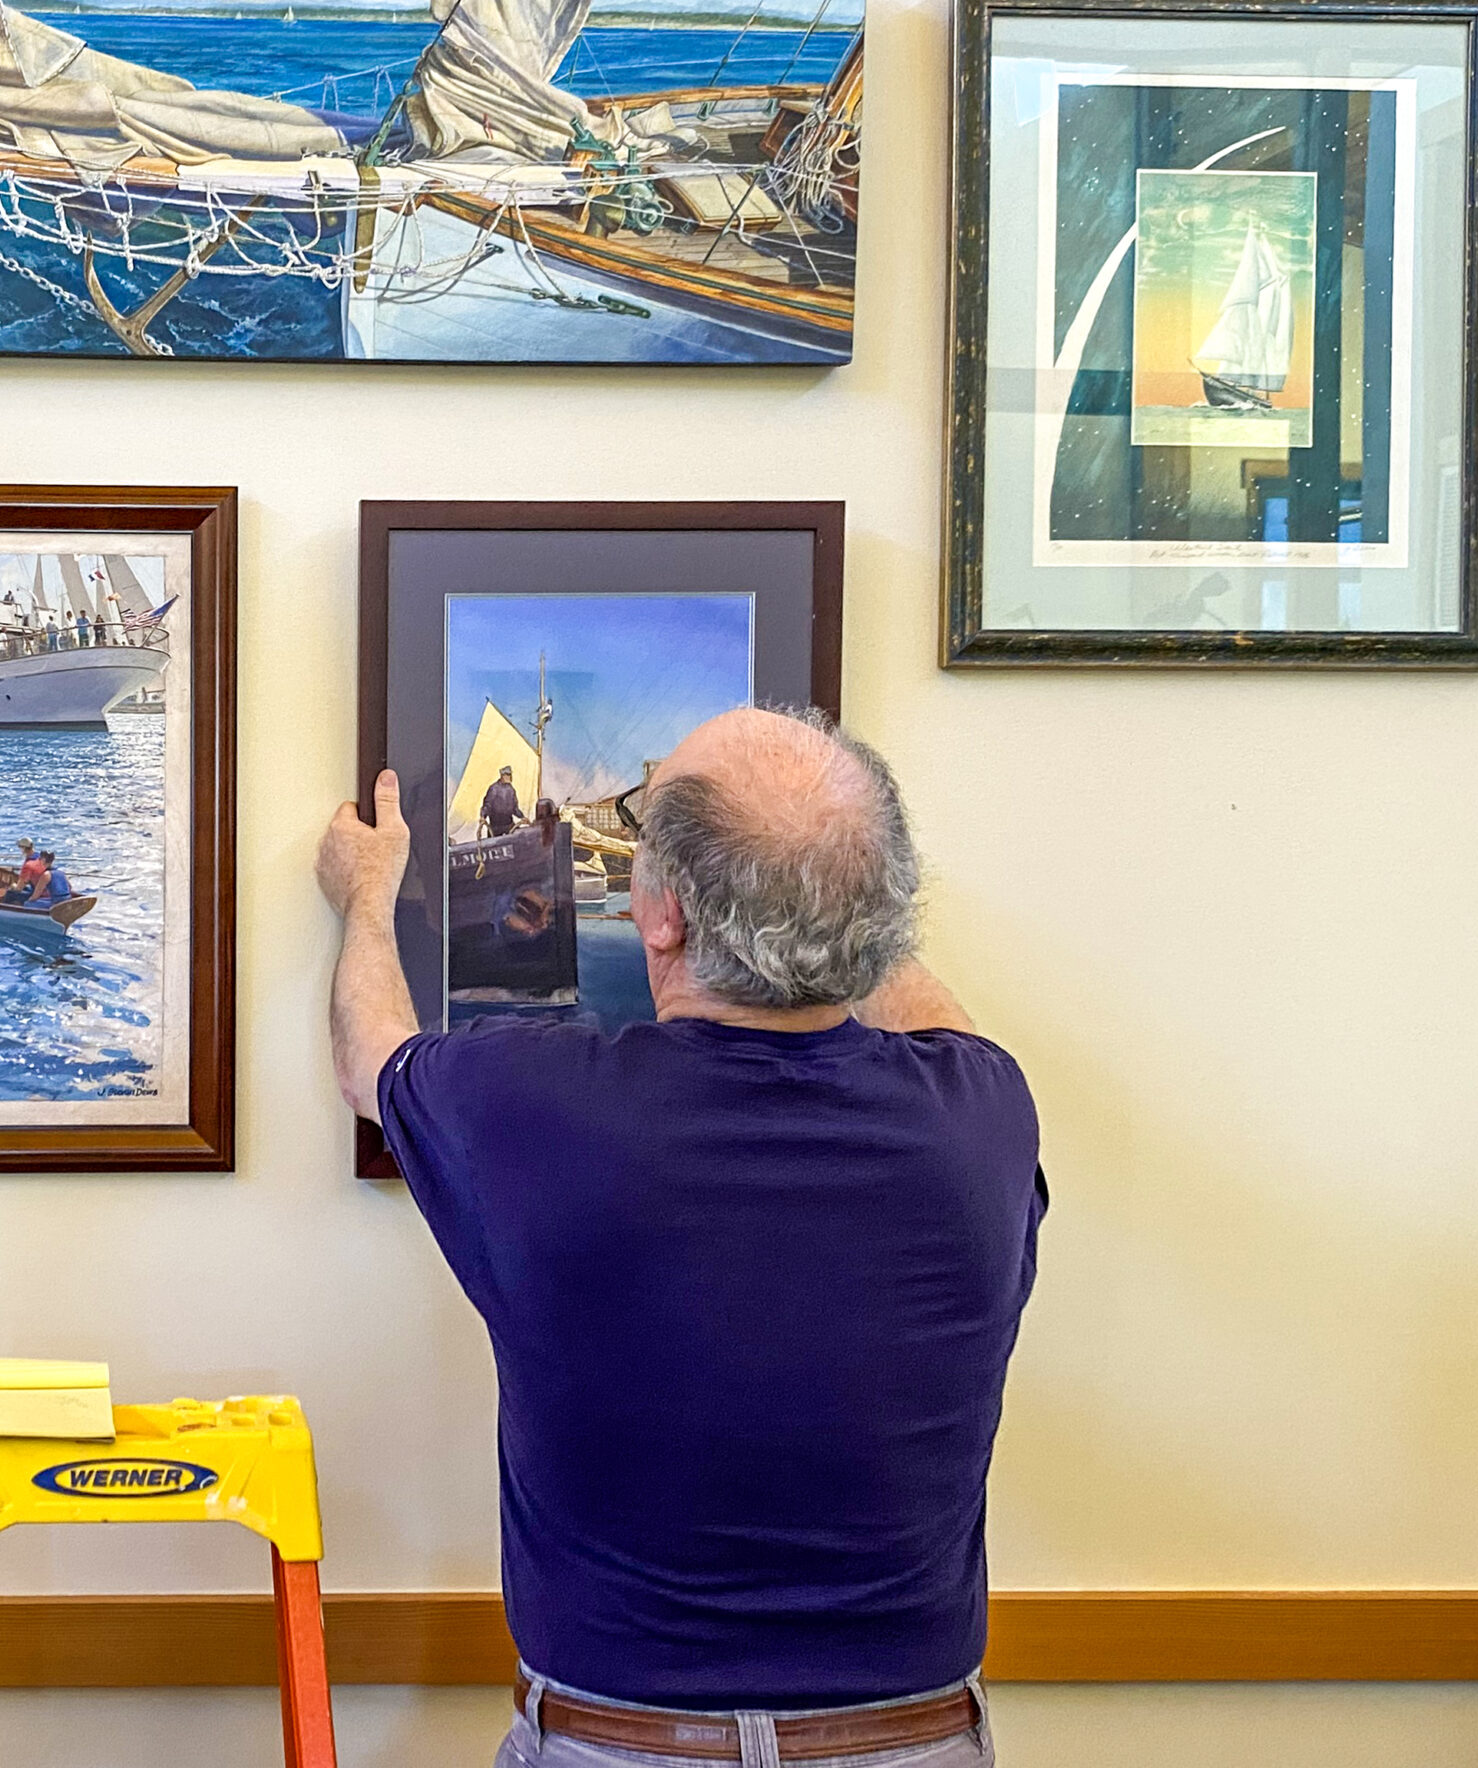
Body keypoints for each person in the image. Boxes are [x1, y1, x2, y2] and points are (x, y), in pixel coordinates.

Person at [317, 707, 1046, 1768]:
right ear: (880, 910)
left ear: (658, 913)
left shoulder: (531, 1104)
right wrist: (830, 895)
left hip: (620, 1744)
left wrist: (369, 896)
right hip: (919, 1740)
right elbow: (937, 1021)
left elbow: (368, 1056)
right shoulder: (980, 1116)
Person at [479, 764, 524, 838]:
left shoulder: (511, 790)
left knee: (520, 838)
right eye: (507, 775)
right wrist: (482, 816)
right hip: (495, 827)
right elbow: (487, 805)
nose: (509, 777)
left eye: (509, 775)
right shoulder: (494, 789)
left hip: (509, 826)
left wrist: (522, 817)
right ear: (502, 776)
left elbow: (514, 809)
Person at [2, 837, 49, 905]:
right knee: (26, 888)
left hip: (38, 893)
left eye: (20, 847)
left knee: (10, 893)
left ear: (23, 848)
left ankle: (5, 908)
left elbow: (19, 888)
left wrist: (13, 886)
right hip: (45, 889)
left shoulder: (28, 864)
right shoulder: (40, 857)